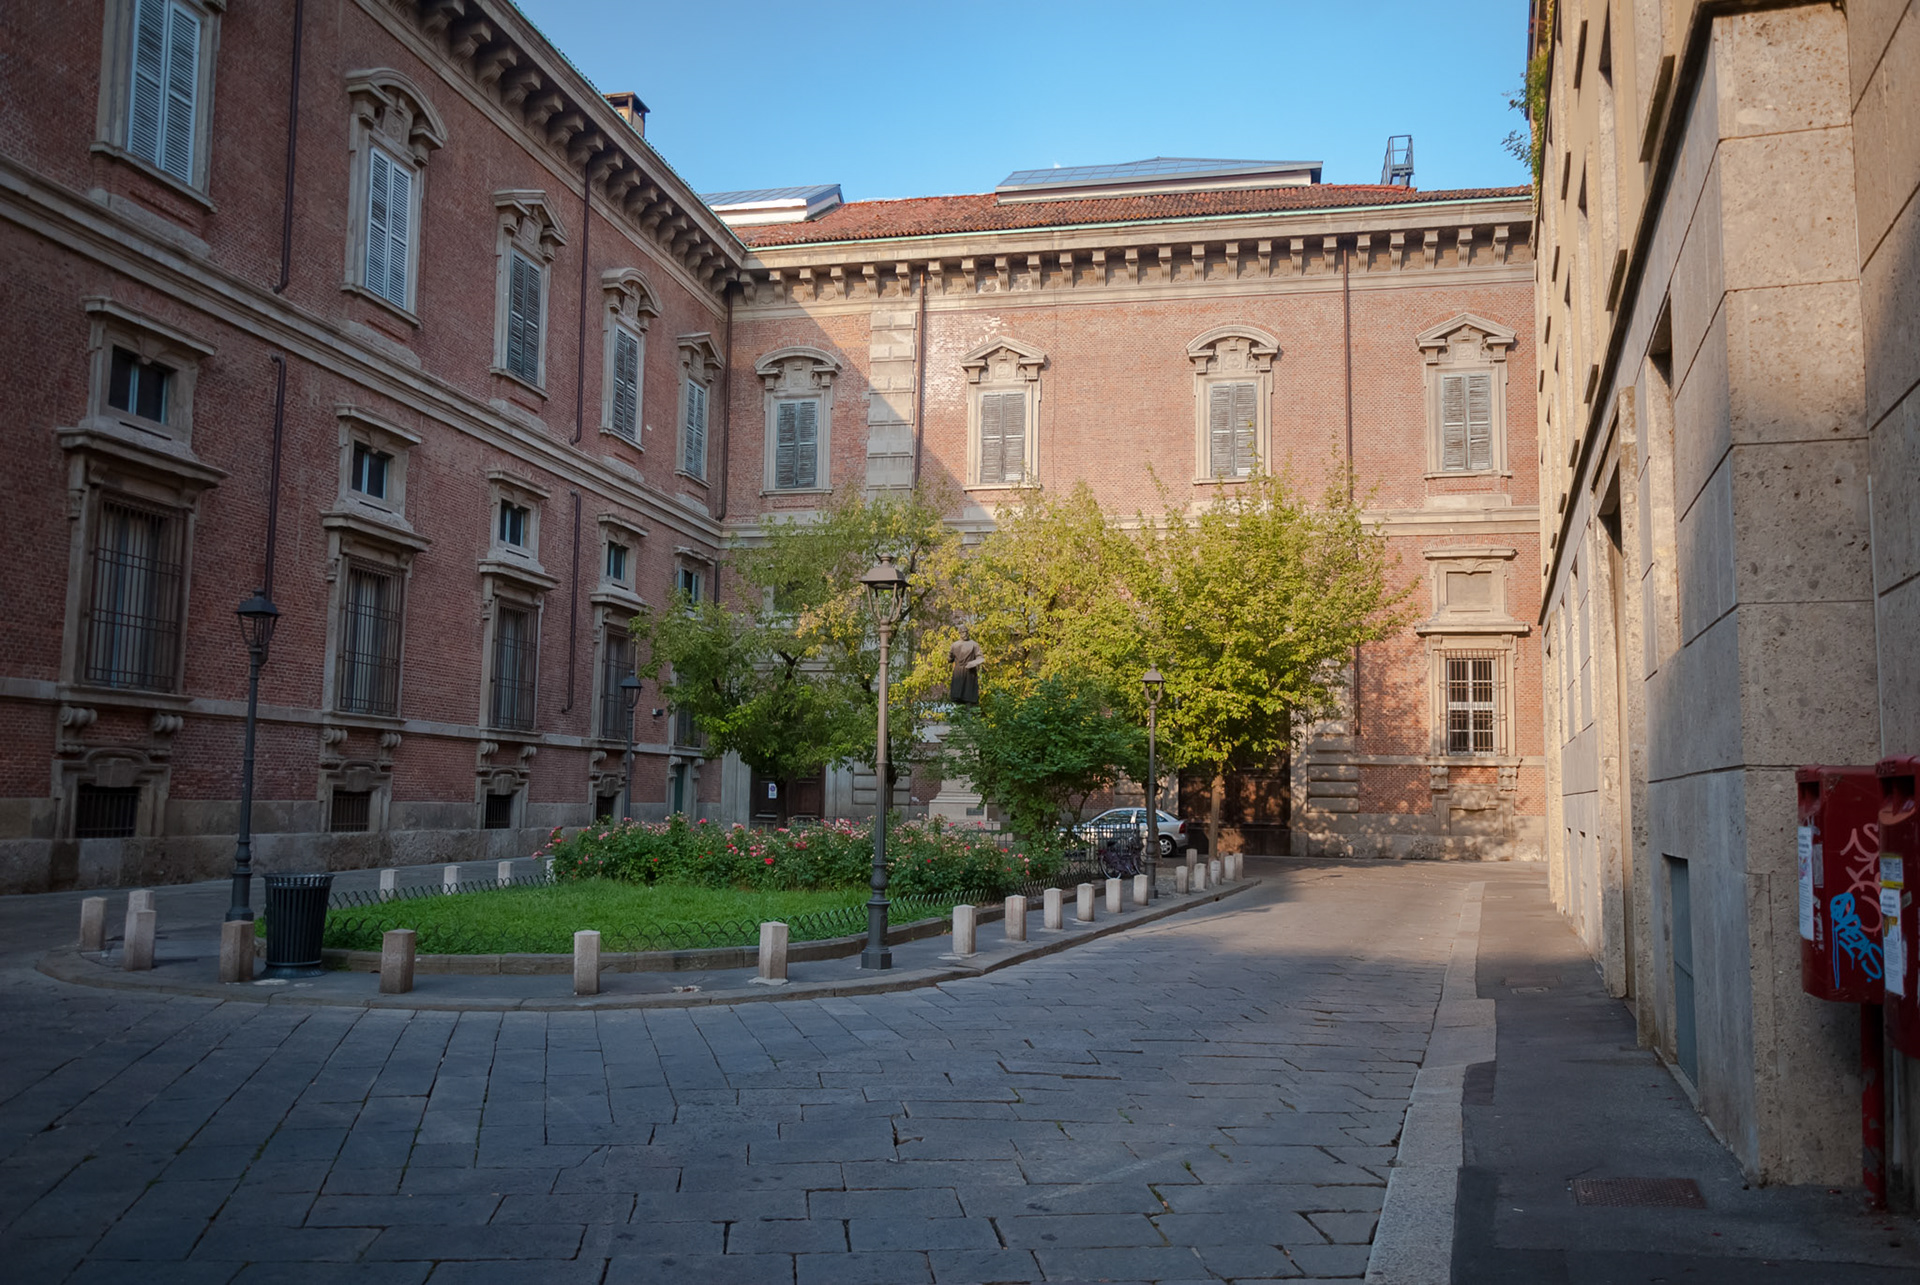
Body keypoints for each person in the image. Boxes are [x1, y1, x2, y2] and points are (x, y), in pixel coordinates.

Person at [948, 628, 984, 705]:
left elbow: (980, 658)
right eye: (963, 632)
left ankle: (969, 715)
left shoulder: (974, 644)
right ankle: (959, 714)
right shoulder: (954, 645)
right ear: (960, 633)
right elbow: (949, 659)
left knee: (969, 697)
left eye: (966, 632)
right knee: (958, 697)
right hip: (958, 673)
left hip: (970, 672)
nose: (965, 634)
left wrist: (972, 663)